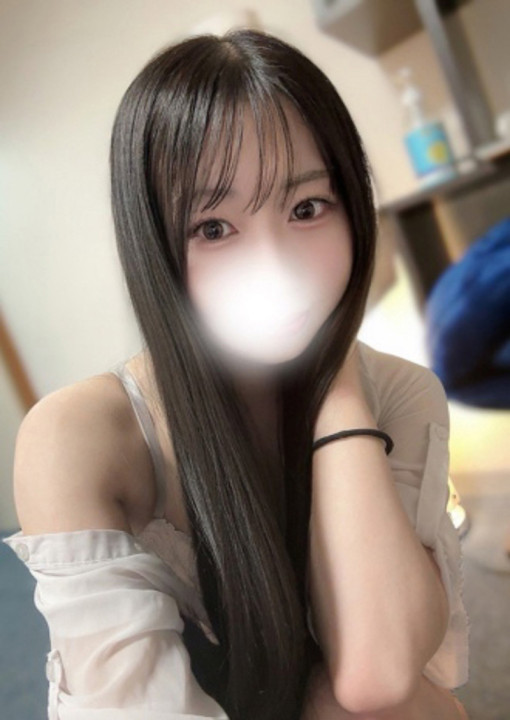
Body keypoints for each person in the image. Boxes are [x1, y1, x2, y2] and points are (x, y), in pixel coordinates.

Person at [3, 29, 469, 720]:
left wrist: (336, 383)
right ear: (155, 245)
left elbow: (378, 675)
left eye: (307, 208)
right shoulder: (76, 435)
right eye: (213, 228)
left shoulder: (400, 389)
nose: (276, 268)